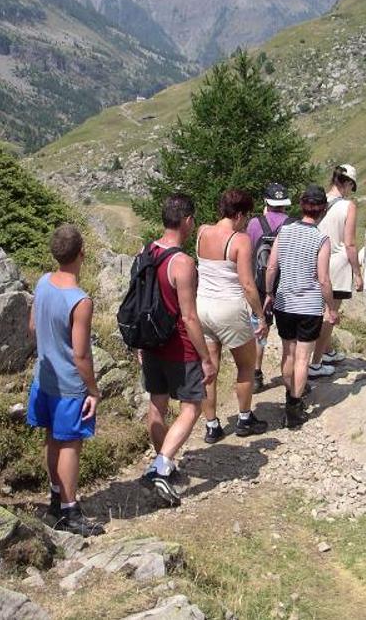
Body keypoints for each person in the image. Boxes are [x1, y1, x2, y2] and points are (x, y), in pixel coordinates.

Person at [26, 224, 104, 536]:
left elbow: (33, 326)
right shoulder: (80, 301)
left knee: (52, 439)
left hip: (44, 378)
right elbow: (81, 355)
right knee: (70, 444)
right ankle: (71, 512)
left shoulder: (43, 281)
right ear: (82, 253)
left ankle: (55, 500)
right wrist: (93, 390)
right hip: (70, 385)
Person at [142, 194, 216, 506]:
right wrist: (206, 358)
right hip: (179, 347)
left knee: (157, 404)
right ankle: (161, 467)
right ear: (186, 220)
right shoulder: (183, 263)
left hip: (151, 343)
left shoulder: (146, 251)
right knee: (192, 406)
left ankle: (164, 462)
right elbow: (189, 317)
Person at [196, 189, 269, 443]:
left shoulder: (202, 231)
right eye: (246, 216)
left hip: (202, 307)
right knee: (246, 366)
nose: (246, 222)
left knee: (209, 368)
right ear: (238, 215)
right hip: (228, 308)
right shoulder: (240, 240)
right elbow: (247, 284)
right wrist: (260, 316)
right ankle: (245, 418)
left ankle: (212, 426)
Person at [264, 185, 337, 428]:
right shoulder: (321, 239)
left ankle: (289, 395)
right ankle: (294, 407)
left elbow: (272, 267)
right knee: (303, 358)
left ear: (301, 206)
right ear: (323, 210)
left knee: (288, 353)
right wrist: (331, 308)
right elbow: (323, 279)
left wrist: (268, 293)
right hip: (309, 305)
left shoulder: (284, 231)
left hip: (284, 301)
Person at [310, 164, 363, 377]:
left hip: (315, 260)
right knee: (329, 313)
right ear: (347, 183)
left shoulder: (317, 200)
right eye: (351, 186)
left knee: (317, 310)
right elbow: (349, 243)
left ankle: (326, 351)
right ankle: (316, 362)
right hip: (336, 263)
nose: (351, 191)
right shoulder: (348, 206)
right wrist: (357, 272)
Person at [246, 183, 293, 393]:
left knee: (260, 328)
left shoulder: (254, 223)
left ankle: (256, 375)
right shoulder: (292, 224)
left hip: (260, 284)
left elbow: (249, 254)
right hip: (285, 286)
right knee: (288, 335)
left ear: (266, 202)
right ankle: (291, 378)